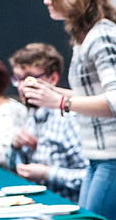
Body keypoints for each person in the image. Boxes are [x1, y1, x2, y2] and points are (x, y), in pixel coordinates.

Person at [21, 0, 116, 220]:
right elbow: (94, 95)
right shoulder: (88, 37)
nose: (46, 0)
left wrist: (61, 101)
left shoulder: (102, 36)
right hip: (103, 158)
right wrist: (54, 94)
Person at [7, 43, 88, 202]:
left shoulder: (68, 119)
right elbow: (13, 168)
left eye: (29, 78)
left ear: (53, 79)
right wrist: (14, 147)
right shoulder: (32, 115)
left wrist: (47, 173)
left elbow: (89, 178)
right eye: (17, 79)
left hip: (66, 208)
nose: (22, 86)